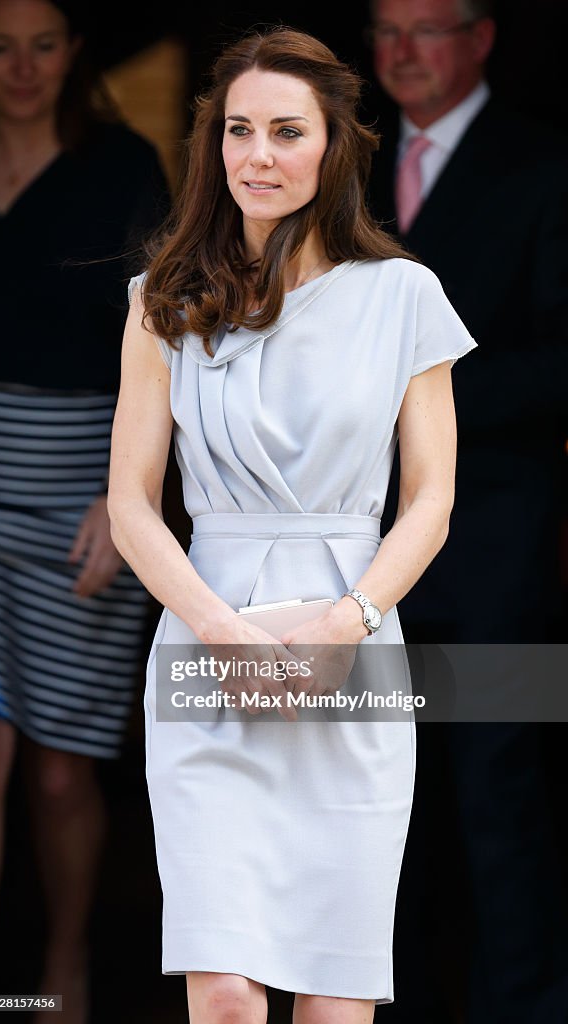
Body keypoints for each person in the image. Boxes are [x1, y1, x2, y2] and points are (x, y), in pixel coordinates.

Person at [107, 25, 477, 1024]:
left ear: (333, 146)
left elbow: (432, 500)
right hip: (203, 642)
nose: (257, 154)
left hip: (352, 647)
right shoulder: (161, 300)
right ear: (211, 145)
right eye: (237, 130)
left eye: (285, 130)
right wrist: (221, 632)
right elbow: (133, 505)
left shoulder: (404, 296)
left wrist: (344, 623)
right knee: (224, 991)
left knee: (333, 1001)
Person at [366, 0, 568, 1021]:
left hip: (493, 547)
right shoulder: (342, 161)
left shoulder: (545, 165)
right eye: (386, 29)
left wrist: (417, 398)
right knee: (368, 804)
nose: (402, 50)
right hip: (355, 558)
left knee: (498, 796)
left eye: (428, 27)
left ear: (481, 38)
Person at [0, 1, 169, 1021]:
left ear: (73, 52)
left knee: (57, 775)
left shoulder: (121, 170)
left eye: (42, 44)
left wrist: (123, 494)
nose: (20, 67)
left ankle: (61, 968)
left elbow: (172, 343)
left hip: (82, 506)